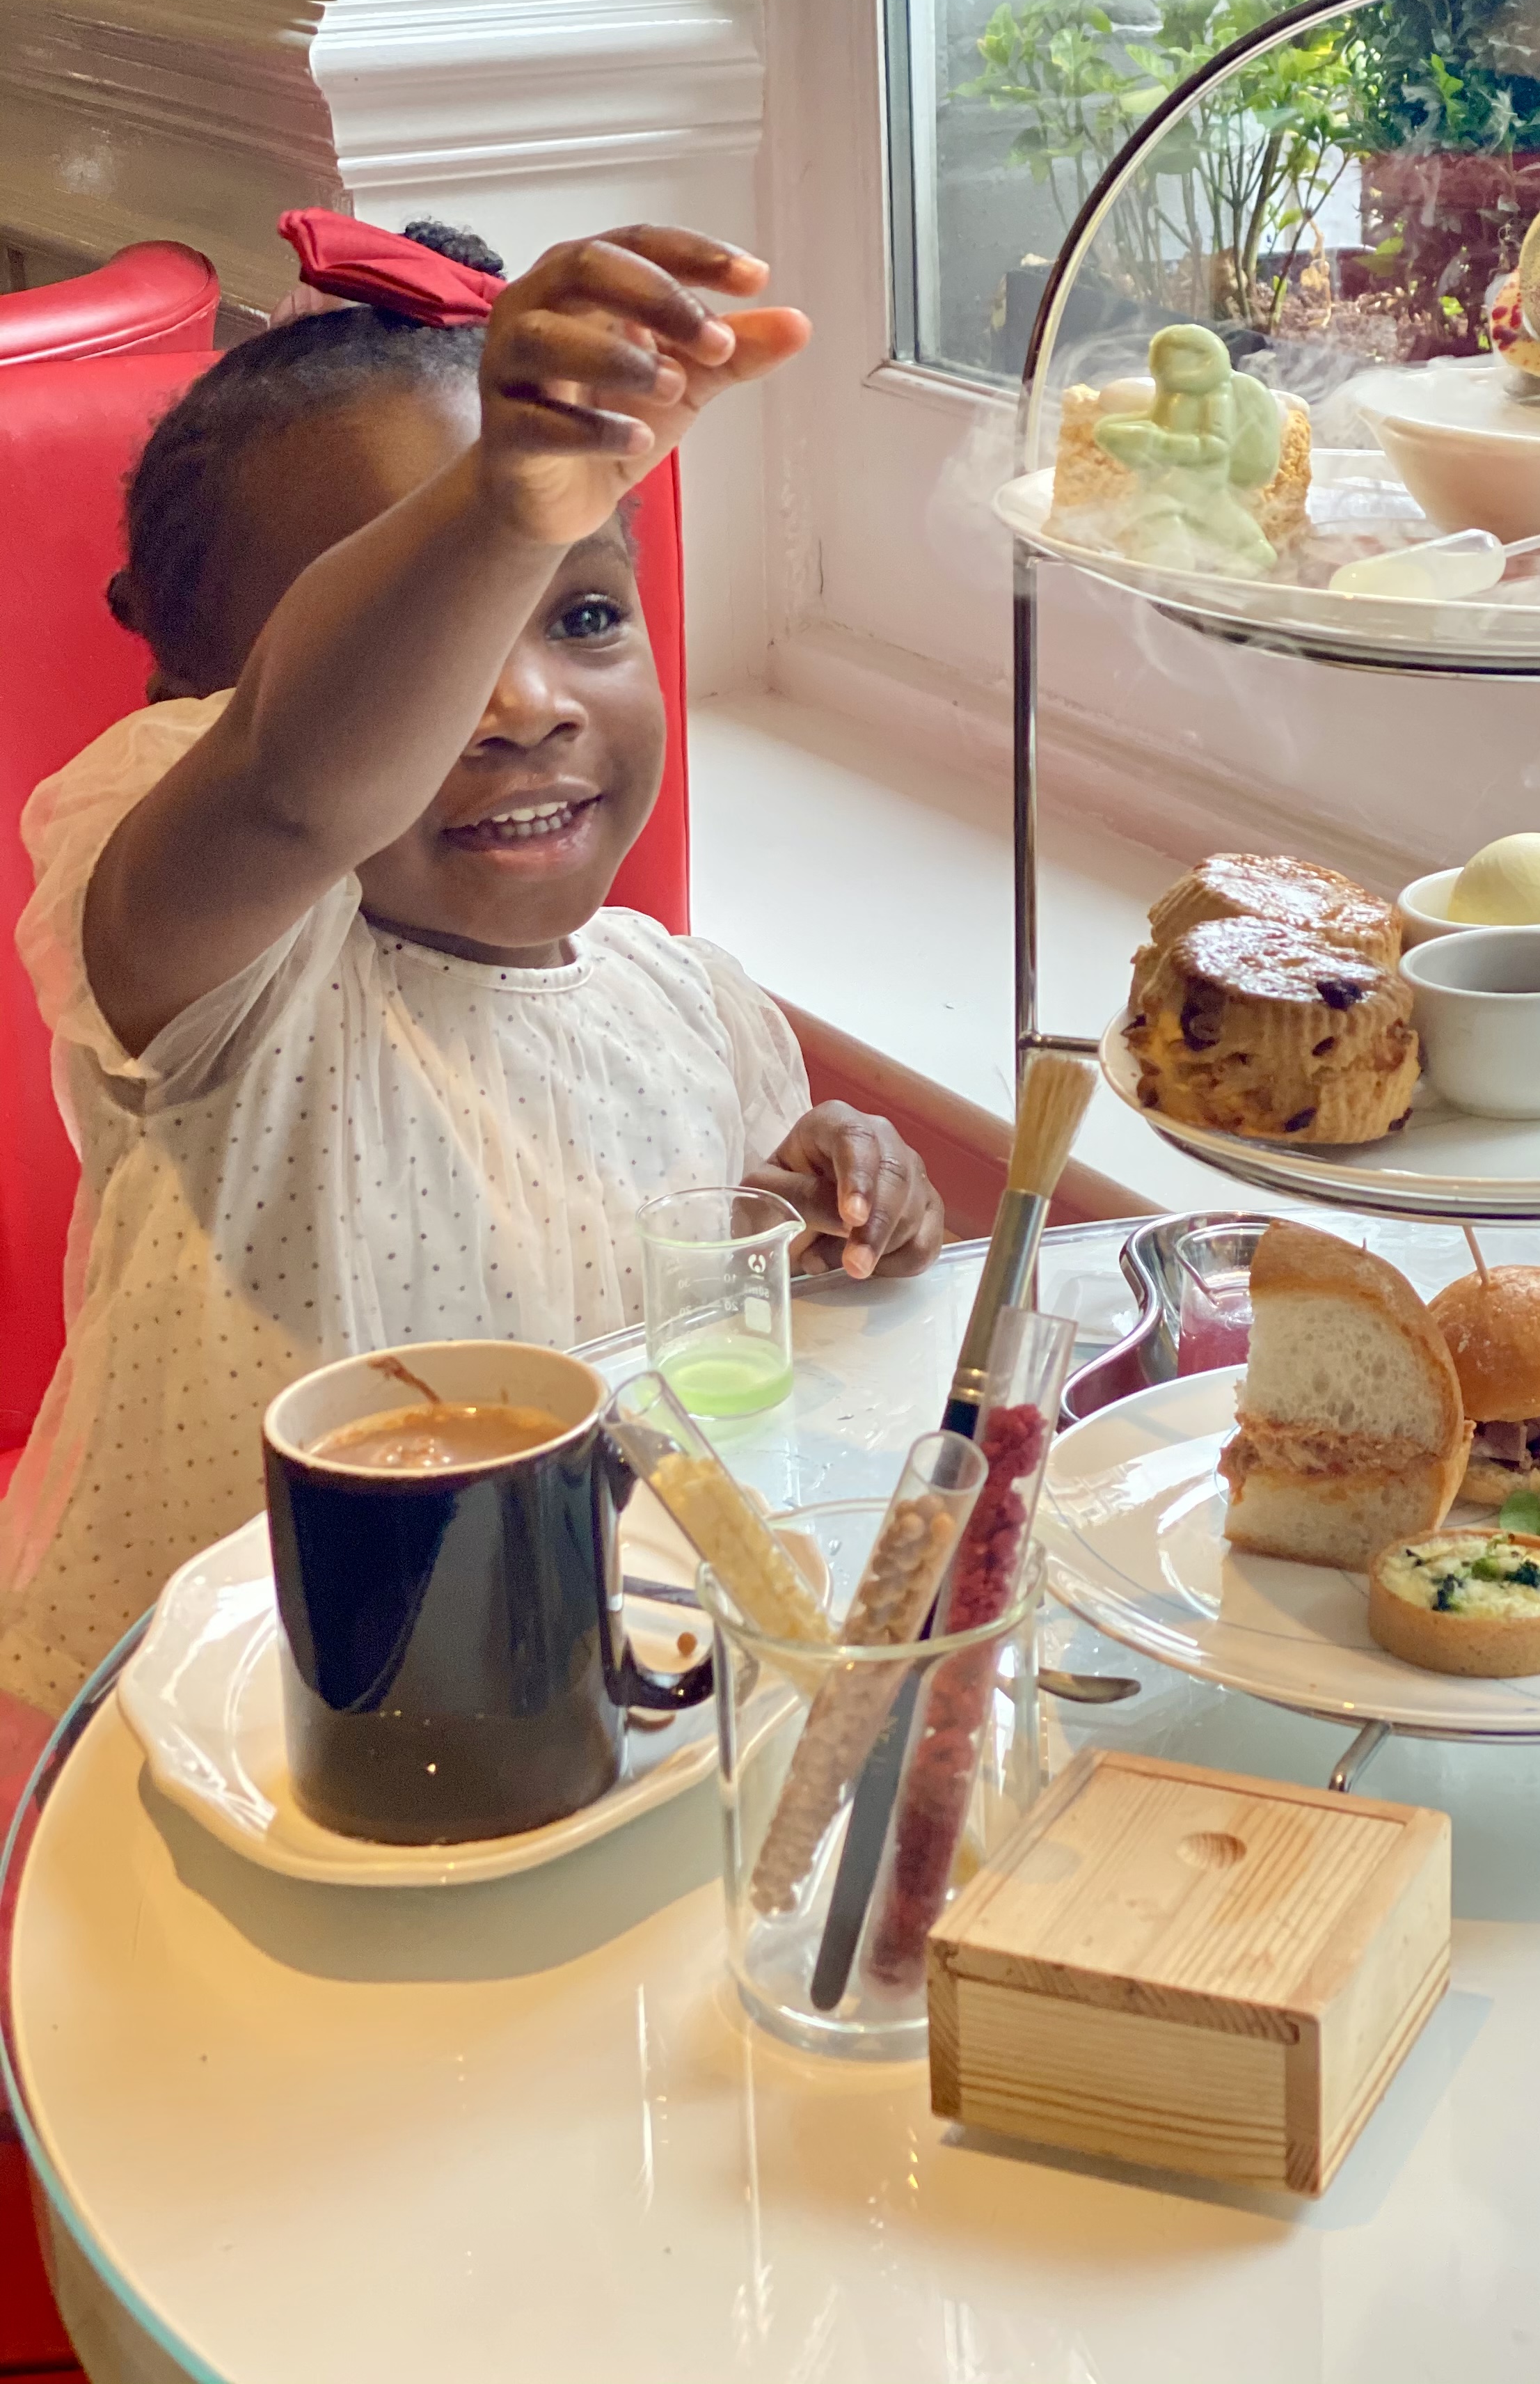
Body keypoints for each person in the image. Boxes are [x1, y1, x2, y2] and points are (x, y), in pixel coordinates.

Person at [0, 213, 944, 1728]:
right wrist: (501, 503)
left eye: (581, 613)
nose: (521, 701)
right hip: (185, 1737)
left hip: (553, 1708)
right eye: (444, 630)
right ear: (191, 706)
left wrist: (809, 1219)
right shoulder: (216, 974)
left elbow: (703, 1370)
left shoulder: (693, 1006)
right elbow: (298, 784)